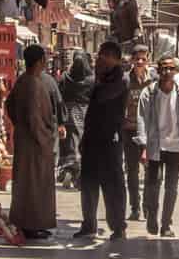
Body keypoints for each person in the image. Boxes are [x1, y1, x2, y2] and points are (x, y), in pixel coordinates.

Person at [75, 41, 131, 242]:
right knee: (88, 183)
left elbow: (101, 97)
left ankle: (118, 226)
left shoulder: (120, 80)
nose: (99, 59)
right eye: (99, 55)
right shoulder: (99, 79)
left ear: (114, 58)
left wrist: (97, 82)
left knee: (112, 185)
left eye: (103, 56)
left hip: (110, 140)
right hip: (92, 139)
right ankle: (88, 224)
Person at [5, 43, 63, 239]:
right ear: (40, 62)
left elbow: (10, 105)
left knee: (26, 183)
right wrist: (43, 140)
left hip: (25, 140)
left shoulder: (23, 81)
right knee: (34, 185)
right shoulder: (34, 84)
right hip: (35, 144)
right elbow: (35, 117)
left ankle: (29, 223)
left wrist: (19, 125)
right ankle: (31, 224)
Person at [137, 55, 179, 237]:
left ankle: (166, 224)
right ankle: (152, 216)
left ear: (176, 71)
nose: (167, 72)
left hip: (175, 146)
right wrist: (144, 145)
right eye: (163, 68)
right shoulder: (149, 92)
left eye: (170, 68)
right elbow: (142, 119)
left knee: (172, 187)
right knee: (153, 185)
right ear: (158, 70)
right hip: (155, 145)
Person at [121, 43, 155, 223]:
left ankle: (148, 207)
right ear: (132, 60)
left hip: (150, 132)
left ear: (148, 59)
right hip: (130, 131)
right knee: (132, 172)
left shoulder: (154, 80)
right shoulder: (125, 80)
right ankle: (135, 207)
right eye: (137, 58)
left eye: (144, 58)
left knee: (151, 172)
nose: (140, 61)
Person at [56, 49, 92, 183]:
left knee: (69, 143)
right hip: (85, 116)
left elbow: (59, 96)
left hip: (68, 115)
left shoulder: (65, 77)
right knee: (82, 144)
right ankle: (79, 174)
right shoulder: (91, 80)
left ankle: (68, 169)